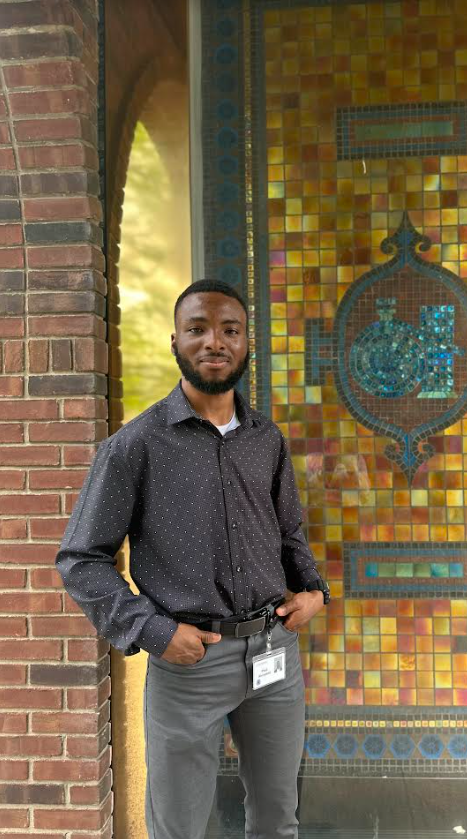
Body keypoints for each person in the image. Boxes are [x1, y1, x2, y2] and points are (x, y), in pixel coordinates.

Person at [56, 279, 330, 839]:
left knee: (278, 821)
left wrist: (314, 590)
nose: (214, 342)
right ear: (175, 342)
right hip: (190, 664)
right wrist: (151, 631)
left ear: (246, 344)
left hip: (274, 656)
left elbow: (288, 532)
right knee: (179, 827)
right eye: (198, 329)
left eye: (229, 330)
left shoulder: (265, 439)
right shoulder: (136, 445)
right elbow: (81, 558)